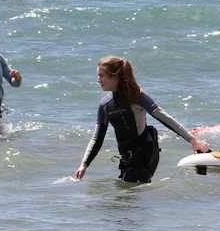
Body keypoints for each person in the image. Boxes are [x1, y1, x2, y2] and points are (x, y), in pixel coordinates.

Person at [74, 55, 210, 184]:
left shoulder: (137, 97)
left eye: (101, 75)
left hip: (145, 154)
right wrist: (84, 164)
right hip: (127, 160)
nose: (98, 80)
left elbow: (164, 118)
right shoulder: (105, 105)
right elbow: (97, 138)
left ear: (114, 76)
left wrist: (193, 140)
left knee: (126, 197)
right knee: (127, 198)